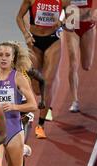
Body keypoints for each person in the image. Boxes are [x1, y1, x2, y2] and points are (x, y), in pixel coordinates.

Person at [16, 0, 71, 139]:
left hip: (54, 40)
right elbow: (19, 17)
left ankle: (40, 125)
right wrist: (26, 34)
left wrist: (63, 23)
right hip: (34, 42)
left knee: (48, 82)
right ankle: (43, 104)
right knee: (35, 87)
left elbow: (72, 21)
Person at [65, 0, 97, 112]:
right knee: (73, 63)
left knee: (86, 65)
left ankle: (75, 101)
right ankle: (75, 101)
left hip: (87, 25)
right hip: (71, 25)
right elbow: (59, 4)